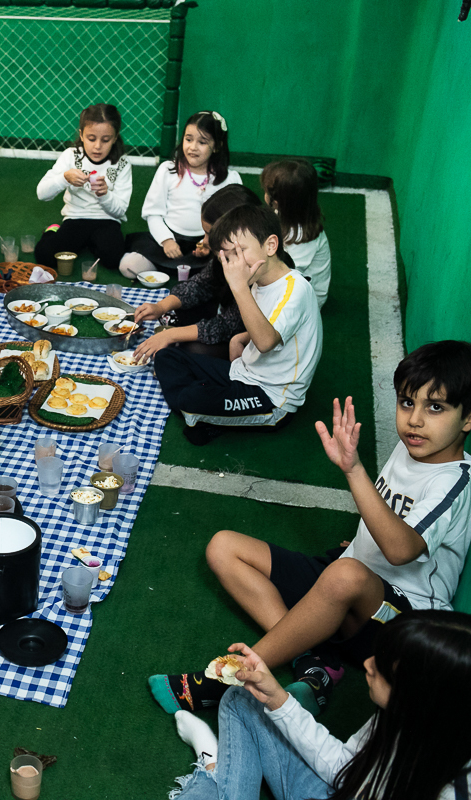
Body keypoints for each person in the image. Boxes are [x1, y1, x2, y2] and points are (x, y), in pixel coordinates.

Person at [150, 341, 471, 716]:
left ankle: (232, 678)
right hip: (346, 590)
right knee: (224, 547)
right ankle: (314, 660)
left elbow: (401, 550)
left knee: (345, 574)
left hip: (402, 625)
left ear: (468, 419)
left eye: (436, 407)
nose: (415, 420)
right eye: (407, 402)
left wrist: (353, 470)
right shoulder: (413, 446)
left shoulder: (455, 480)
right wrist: (361, 544)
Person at [165, 612, 471, 800]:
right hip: (339, 792)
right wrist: (277, 699)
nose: (367, 664)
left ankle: (212, 765)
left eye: (383, 670)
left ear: (418, 698)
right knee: (241, 698)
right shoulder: (409, 715)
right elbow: (345, 768)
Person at [153, 205, 322, 444]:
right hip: (243, 372)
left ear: (271, 246)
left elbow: (266, 341)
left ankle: (203, 413)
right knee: (166, 358)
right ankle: (208, 413)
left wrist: (239, 287)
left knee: (192, 398)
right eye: (229, 257)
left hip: (272, 397)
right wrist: (240, 338)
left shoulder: (295, 290)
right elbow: (268, 325)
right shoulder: (259, 280)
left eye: (240, 251)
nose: (234, 264)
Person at [132, 184, 261, 361]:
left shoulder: (256, 269)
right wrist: (161, 307)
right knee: (180, 310)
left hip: (245, 339)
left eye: (210, 234)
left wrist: (171, 335)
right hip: (225, 320)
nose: (205, 241)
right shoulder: (224, 257)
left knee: (192, 350)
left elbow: (228, 325)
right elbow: (200, 284)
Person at [119, 111, 243, 278]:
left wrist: (209, 244)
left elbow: (234, 222)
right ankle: (179, 269)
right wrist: (166, 240)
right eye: (188, 139)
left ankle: (191, 272)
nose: (193, 147)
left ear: (217, 146)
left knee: (230, 266)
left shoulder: (229, 179)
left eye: (202, 142)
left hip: (207, 245)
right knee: (128, 266)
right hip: (169, 242)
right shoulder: (168, 170)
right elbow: (153, 213)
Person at [34, 103, 132, 274]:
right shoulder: (71, 156)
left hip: (107, 220)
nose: (97, 146)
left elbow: (119, 211)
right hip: (76, 217)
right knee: (44, 256)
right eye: (91, 138)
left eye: (105, 140)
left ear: (115, 137)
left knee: (113, 259)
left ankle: (91, 243)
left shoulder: (122, 163)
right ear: (81, 135)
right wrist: (64, 178)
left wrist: (105, 194)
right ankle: (52, 231)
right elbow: (42, 194)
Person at [261, 160, 332, 308]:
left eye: (267, 191)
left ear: (277, 201)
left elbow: (285, 274)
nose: (264, 194)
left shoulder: (301, 239)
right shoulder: (294, 215)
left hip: (307, 299)